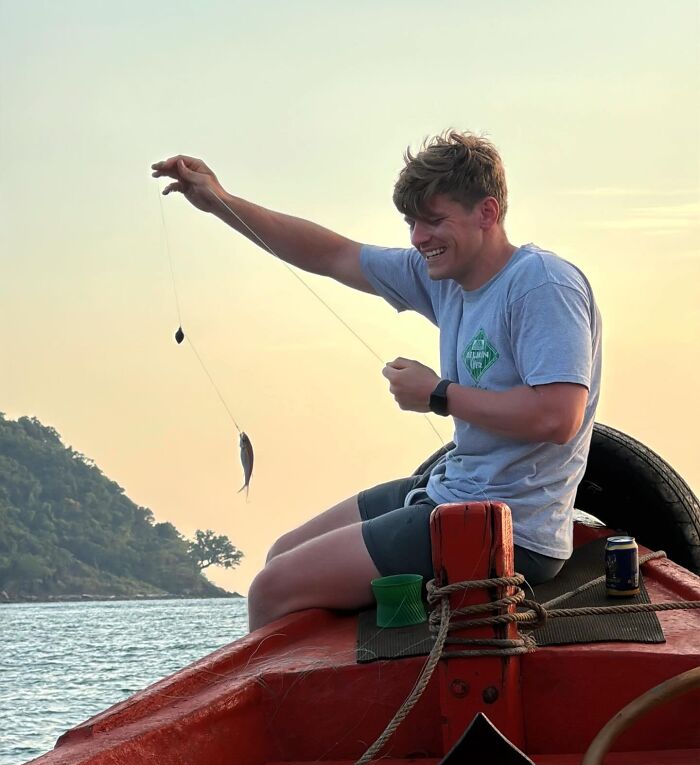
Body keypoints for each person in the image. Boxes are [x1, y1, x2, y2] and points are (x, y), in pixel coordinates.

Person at [152, 132, 601, 631]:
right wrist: (222, 203)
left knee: (272, 590)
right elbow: (332, 255)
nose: (418, 238)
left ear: (487, 213)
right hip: (452, 489)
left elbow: (558, 416)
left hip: (510, 528)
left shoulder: (541, 283)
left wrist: (439, 395)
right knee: (281, 553)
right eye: (412, 222)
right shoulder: (446, 277)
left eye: (434, 220)